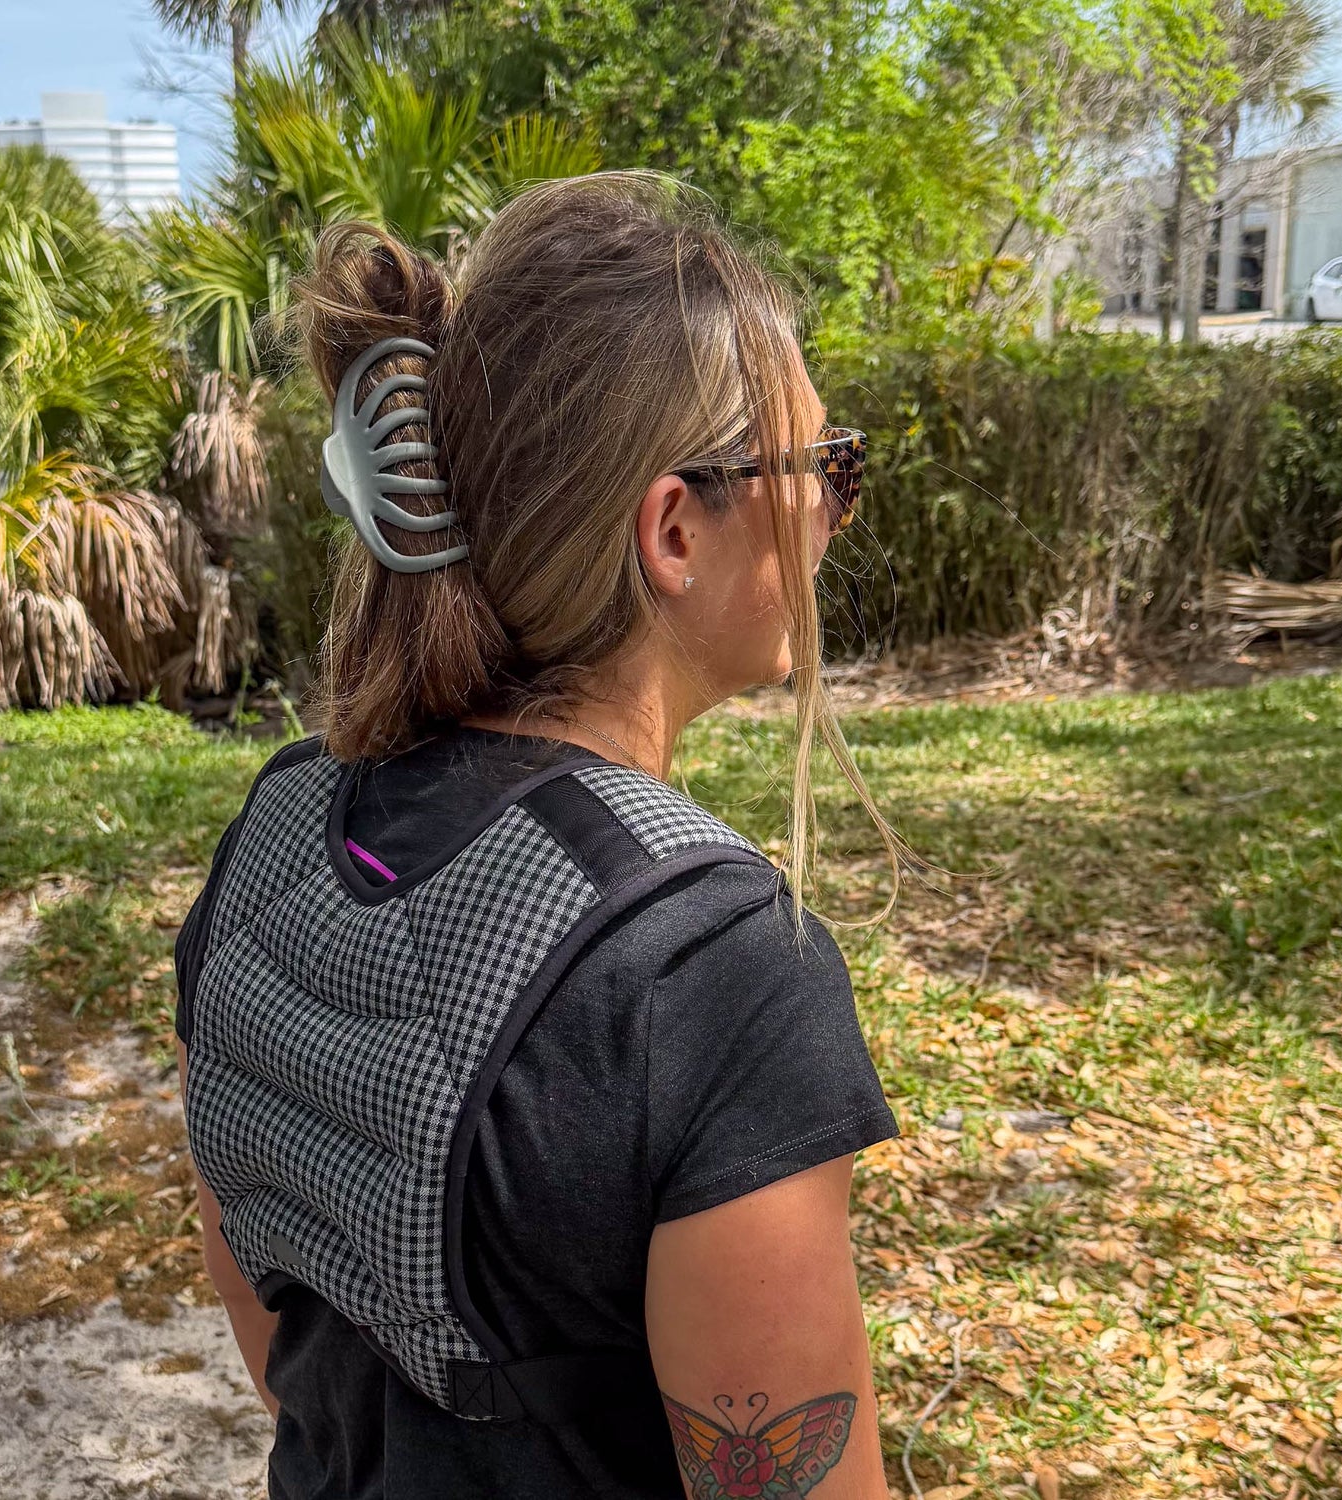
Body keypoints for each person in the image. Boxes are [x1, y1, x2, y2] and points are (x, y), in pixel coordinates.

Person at [174, 171, 903, 1500]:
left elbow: (260, 1309)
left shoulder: (278, 831)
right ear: (675, 530)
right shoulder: (716, 974)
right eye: (825, 468)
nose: (835, 510)